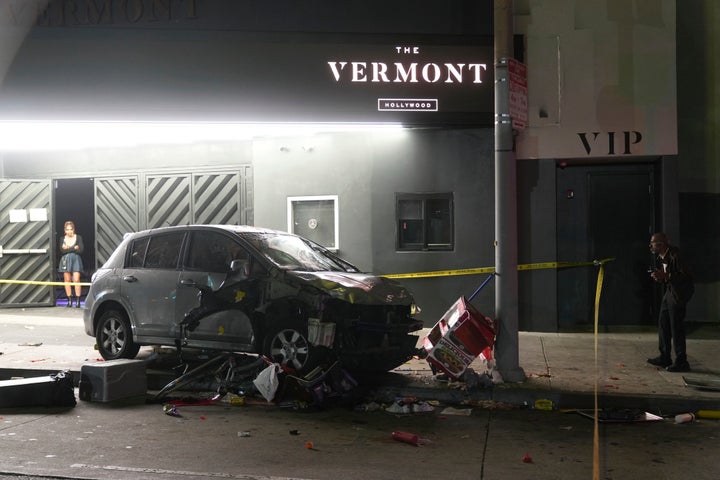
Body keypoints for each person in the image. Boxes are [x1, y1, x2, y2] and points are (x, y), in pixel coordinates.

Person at [646, 232, 694, 372]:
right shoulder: (663, 256)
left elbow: (686, 276)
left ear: (661, 244)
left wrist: (666, 275)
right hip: (670, 292)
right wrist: (661, 277)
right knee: (663, 323)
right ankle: (664, 356)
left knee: (676, 327)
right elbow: (669, 277)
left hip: (679, 294)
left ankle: (681, 361)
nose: (650, 246)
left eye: (653, 243)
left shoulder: (675, 255)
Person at [58, 221, 84, 308]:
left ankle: (78, 301)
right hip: (65, 260)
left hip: (76, 259)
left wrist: (68, 248)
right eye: (67, 229)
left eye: (71, 229)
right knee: (67, 280)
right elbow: (62, 251)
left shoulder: (78, 237)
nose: (69, 231)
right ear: (65, 230)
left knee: (76, 279)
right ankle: (69, 300)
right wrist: (74, 248)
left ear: (73, 229)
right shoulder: (62, 239)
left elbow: (81, 250)